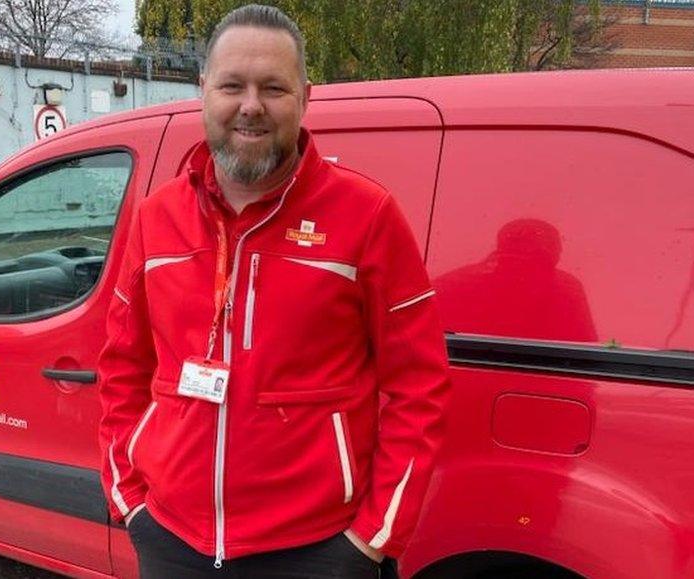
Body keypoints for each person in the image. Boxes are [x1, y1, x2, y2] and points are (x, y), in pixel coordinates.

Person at [98, 4, 450, 578]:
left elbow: (419, 385)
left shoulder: (367, 217)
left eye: (274, 87)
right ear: (203, 91)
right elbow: (120, 366)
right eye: (232, 85)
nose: (251, 105)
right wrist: (130, 501)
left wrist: (372, 537)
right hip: (171, 540)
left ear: (306, 97)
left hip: (319, 551)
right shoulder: (154, 218)